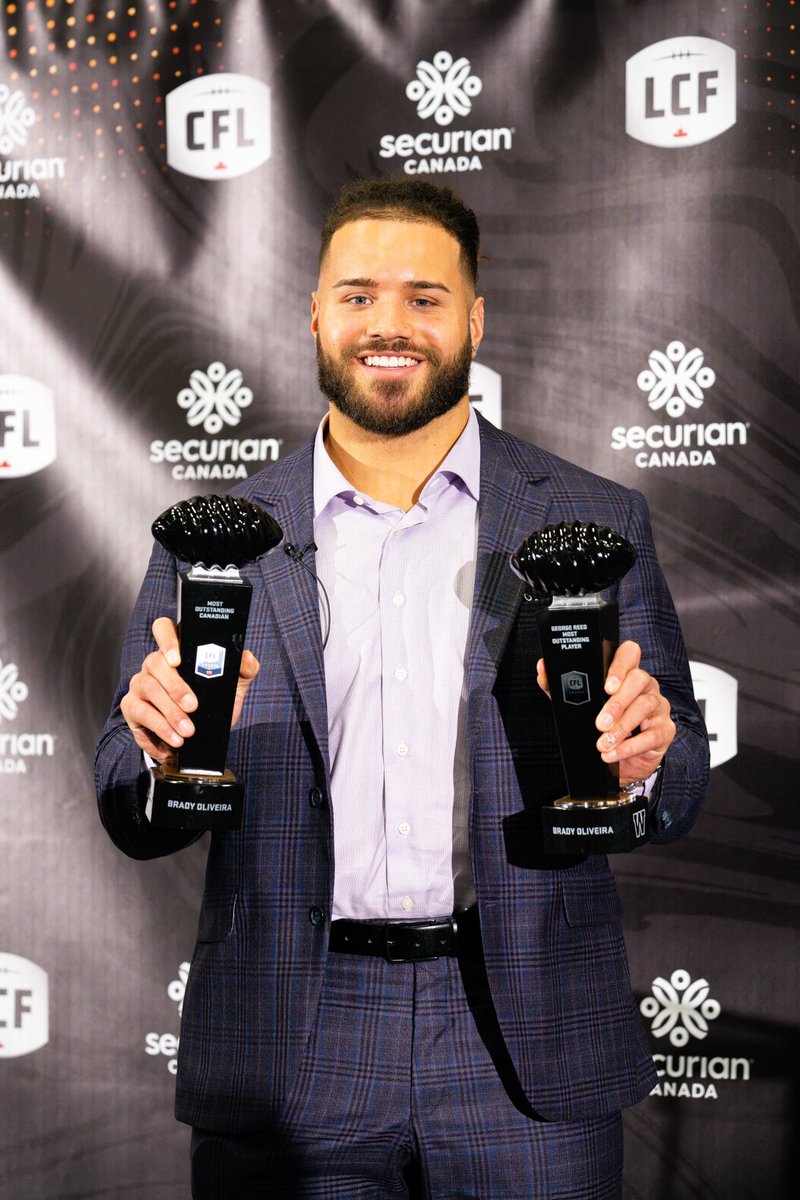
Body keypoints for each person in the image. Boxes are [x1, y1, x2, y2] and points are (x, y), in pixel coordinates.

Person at [96, 178, 709, 1199]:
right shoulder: (220, 540)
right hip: (292, 1034)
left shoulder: (594, 520)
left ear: (472, 318)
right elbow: (124, 788)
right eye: (358, 295)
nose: (389, 325)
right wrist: (157, 758)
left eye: (425, 298)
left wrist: (646, 764)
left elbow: (678, 768)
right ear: (315, 314)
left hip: (521, 1036)